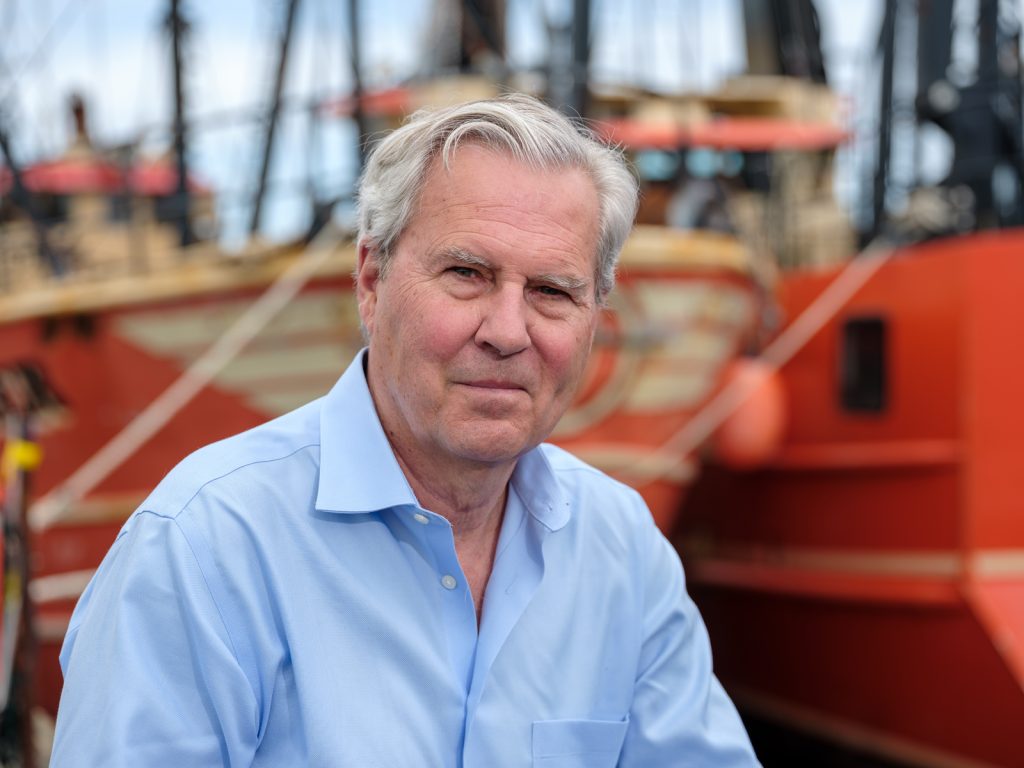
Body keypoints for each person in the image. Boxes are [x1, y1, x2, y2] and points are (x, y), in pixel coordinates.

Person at [52, 94, 760, 767]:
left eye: (552, 291)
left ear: (595, 315)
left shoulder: (622, 547)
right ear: (371, 280)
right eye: (467, 273)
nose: (508, 331)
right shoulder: (203, 547)